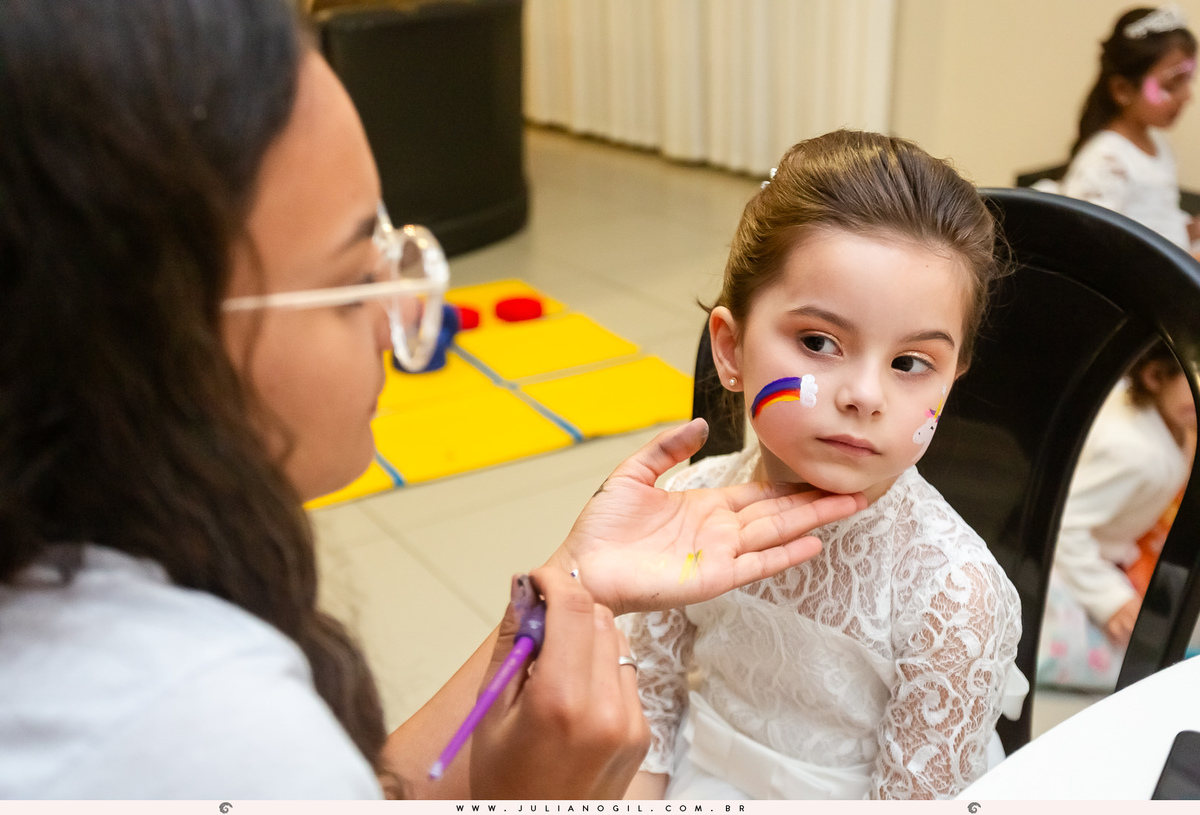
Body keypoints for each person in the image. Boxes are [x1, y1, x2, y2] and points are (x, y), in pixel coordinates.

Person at [0, 0, 867, 800]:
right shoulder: (189, 727)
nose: (398, 319)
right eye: (350, 280)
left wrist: (576, 577)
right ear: (149, 328)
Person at [619, 130, 1024, 801]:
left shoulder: (955, 597)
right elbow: (651, 711)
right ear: (731, 348)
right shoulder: (685, 503)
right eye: (818, 341)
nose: (864, 394)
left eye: (910, 363)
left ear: (952, 378)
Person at [1037, 342, 1196, 690]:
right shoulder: (1134, 453)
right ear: (1154, 377)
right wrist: (1110, 600)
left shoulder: (1166, 417)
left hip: (1115, 551)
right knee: (1124, 661)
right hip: (1069, 567)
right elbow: (1065, 531)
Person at [1061, 5, 1200, 254]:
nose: (1187, 96)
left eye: (1188, 81)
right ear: (1123, 90)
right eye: (1171, 85)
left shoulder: (1158, 143)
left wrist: (1191, 230)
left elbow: (1159, 226)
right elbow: (1099, 257)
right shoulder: (1106, 163)